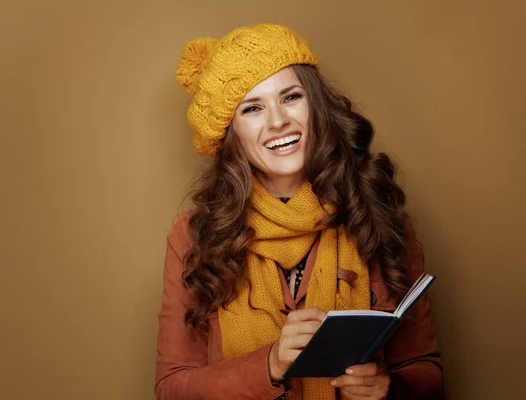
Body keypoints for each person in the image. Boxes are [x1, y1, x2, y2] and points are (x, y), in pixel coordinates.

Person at [155, 24, 442, 400]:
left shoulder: (378, 215)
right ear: (231, 131)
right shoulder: (194, 236)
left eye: (291, 97)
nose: (278, 121)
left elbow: (427, 372)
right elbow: (171, 389)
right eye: (253, 107)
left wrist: (388, 388)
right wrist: (270, 364)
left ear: (316, 105)